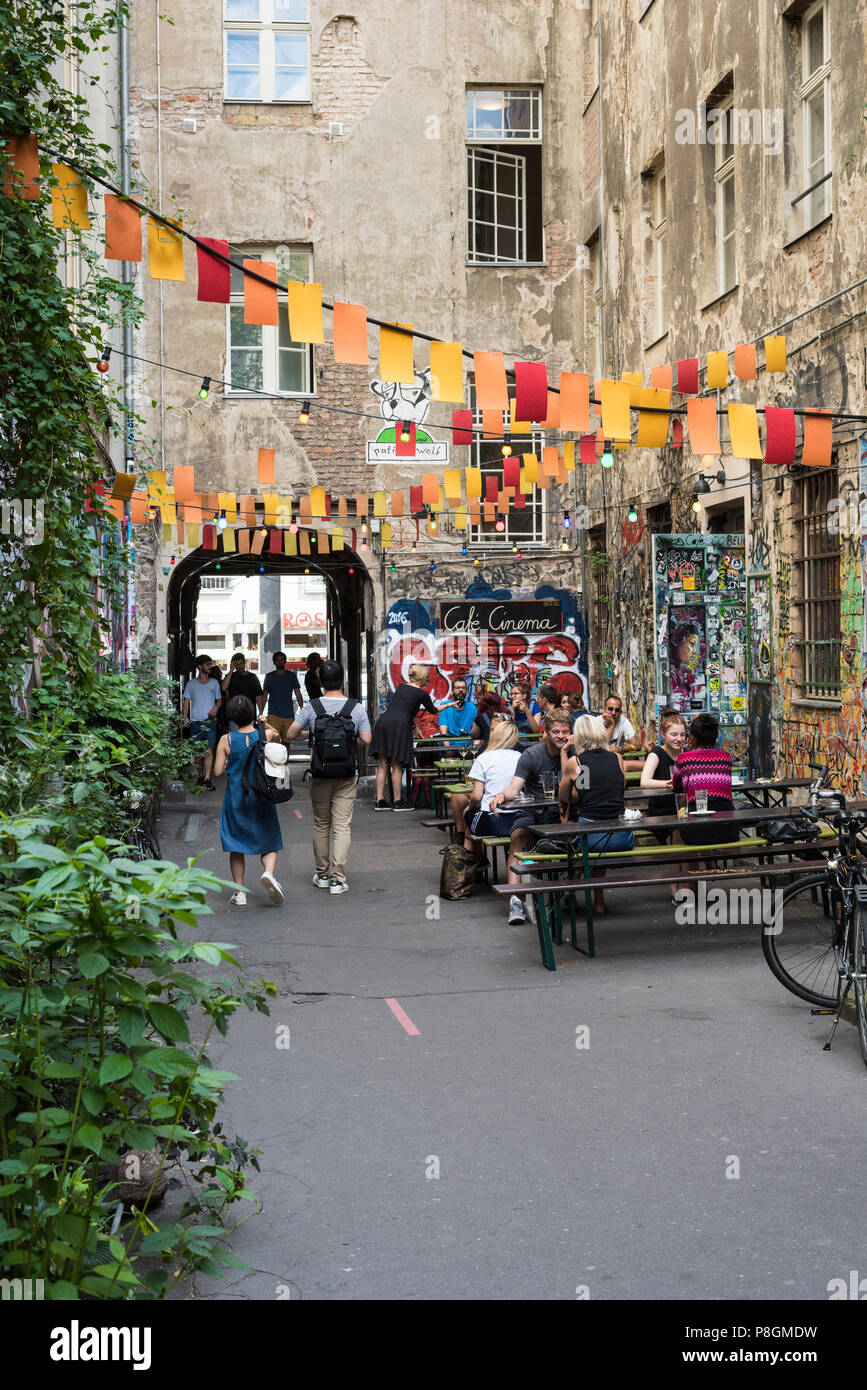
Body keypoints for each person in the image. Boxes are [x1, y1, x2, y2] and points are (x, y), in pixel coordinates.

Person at [281, 659, 371, 895]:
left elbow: (291, 734)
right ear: (343, 680)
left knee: (321, 823)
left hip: (320, 772)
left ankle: (321, 874)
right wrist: (348, 741)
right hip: (347, 774)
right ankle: (337, 880)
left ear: (320, 682)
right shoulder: (356, 708)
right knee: (342, 825)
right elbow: (367, 739)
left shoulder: (312, 707)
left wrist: (315, 735)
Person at [488, 708, 573, 925]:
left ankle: (566, 889)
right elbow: (514, 789)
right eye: (556, 732)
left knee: (577, 838)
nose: (561, 736)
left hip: (561, 815)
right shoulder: (532, 755)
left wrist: (566, 755)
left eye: (565, 731)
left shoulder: (575, 755)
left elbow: (581, 791)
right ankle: (515, 899)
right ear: (546, 731)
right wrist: (501, 795)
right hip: (532, 813)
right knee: (518, 836)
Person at [212, 694, 285, 907]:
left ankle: (239, 892)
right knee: (269, 839)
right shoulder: (264, 735)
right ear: (252, 713)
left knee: (236, 844)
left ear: (231, 716)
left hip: (236, 798)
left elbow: (217, 771)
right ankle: (268, 874)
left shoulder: (226, 740)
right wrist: (263, 723)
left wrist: (228, 762)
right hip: (261, 796)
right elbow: (278, 734)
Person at [560, 714, 634, 913]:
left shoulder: (576, 762)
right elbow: (619, 787)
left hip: (593, 838)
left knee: (579, 835)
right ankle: (598, 901)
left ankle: (570, 885)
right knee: (598, 829)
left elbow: (565, 796)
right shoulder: (617, 758)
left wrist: (564, 753)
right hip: (623, 836)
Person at [371, 662, 438, 810]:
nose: (428, 679)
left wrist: (415, 724)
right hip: (399, 726)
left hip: (384, 722)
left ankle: (380, 801)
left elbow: (402, 708)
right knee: (397, 764)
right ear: (423, 677)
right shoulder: (422, 693)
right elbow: (433, 710)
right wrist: (450, 705)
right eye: (427, 677)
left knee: (382, 764)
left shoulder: (401, 687)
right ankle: (397, 801)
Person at [640, 707, 688, 896]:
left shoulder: (686, 754)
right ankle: (677, 885)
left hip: (682, 808)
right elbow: (644, 782)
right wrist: (667, 783)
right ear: (663, 734)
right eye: (674, 734)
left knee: (690, 828)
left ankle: (687, 882)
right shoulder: (656, 754)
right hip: (662, 811)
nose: (679, 738)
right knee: (679, 832)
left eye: (682, 734)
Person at [672, 712, 734, 848]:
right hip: (729, 828)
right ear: (715, 737)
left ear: (692, 737)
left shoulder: (683, 759)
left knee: (677, 829)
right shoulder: (726, 758)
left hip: (696, 829)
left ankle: (686, 870)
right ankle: (711, 866)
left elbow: (676, 784)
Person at [462, 719, 523, 854]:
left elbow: (477, 796)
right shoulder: (520, 757)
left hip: (492, 819)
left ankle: (472, 864)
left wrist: (468, 808)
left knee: (468, 818)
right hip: (518, 819)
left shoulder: (483, 758)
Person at [182, 654, 222, 790]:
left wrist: (216, 708)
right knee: (197, 754)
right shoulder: (191, 684)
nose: (210, 667)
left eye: (210, 664)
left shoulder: (214, 683)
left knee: (209, 751)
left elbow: (219, 700)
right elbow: (186, 700)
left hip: (209, 722)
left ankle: (207, 779)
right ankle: (200, 776)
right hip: (195, 723)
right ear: (200, 666)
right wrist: (185, 717)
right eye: (208, 664)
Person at [263, 651, 304, 744]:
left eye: (282, 659)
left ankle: (286, 759)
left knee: (287, 742)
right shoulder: (269, 677)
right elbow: (264, 696)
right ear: (274, 662)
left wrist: (302, 708)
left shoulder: (291, 676)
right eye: (277, 660)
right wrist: (261, 712)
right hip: (273, 714)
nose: (280, 661)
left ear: (285, 661)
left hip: (288, 714)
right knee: (273, 742)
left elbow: (298, 694)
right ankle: (275, 759)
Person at [221, 653, 265, 728]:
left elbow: (258, 696)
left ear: (244, 663)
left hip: (249, 715)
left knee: (250, 739)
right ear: (234, 665)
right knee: (235, 739)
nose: (240, 666)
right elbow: (223, 688)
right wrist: (231, 670)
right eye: (237, 664)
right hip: (234, 716)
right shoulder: (230, 677)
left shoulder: (252, 677)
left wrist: (260, 712)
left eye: (241, 663)